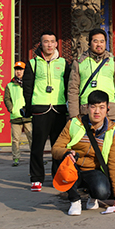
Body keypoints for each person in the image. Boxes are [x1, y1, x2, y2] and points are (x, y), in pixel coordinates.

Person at [51, 90, 115, 216]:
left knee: (103, 192)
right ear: (87, 108)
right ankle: (75, 200)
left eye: (101, 107)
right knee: (64, 160)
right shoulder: (74, 124)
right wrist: (67, 153)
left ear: (107, 109)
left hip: (93, 171)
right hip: (73, 167)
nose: (97, 111)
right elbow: (56, 148)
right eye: (93, 107)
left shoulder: (112, 131)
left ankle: (92, 197)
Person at [23, 31, 71, 192]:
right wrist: (29, 108)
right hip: (40, 108)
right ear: (41, 44)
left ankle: (58, 175)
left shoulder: (63, 63)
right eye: (46, 41)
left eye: (52, 41)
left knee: (59, 146)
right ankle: (36, 178)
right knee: (38, 146)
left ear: (56, 44)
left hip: (58, 108)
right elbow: (27, 88)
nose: (49, 44)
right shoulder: (33, 63)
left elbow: (69, 86)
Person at [68, 28, 115, 122]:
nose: (99, 44)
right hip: (87, 111)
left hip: (109, 111)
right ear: (89, 43)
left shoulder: (112, 61)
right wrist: (74, 113)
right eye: (95, 41)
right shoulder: (79, 62)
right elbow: (73, 89)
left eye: (102, 41)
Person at [4, 62, 33, 166]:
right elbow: (6, 99)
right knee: (16, 139)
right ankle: (16, 158)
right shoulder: (10, 85)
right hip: (16, 115)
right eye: (17, 69)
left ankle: (35, 158)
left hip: (28, 115)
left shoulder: (29, 83)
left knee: (32, 138)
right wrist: (11, 109)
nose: (18, 72)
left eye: (20, 69)